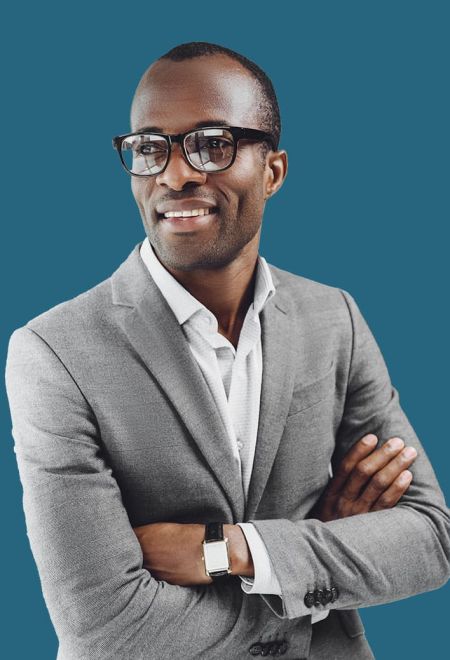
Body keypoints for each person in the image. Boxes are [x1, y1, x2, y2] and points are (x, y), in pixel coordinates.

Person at [5, 41, 449, 660]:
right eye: (149, 148)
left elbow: (429, 540)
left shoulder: (334, 317)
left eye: (212, 144)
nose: (175, 174)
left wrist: (227, 550)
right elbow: (106, 626)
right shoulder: (54, 354)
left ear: (273, 172)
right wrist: (315, 555)